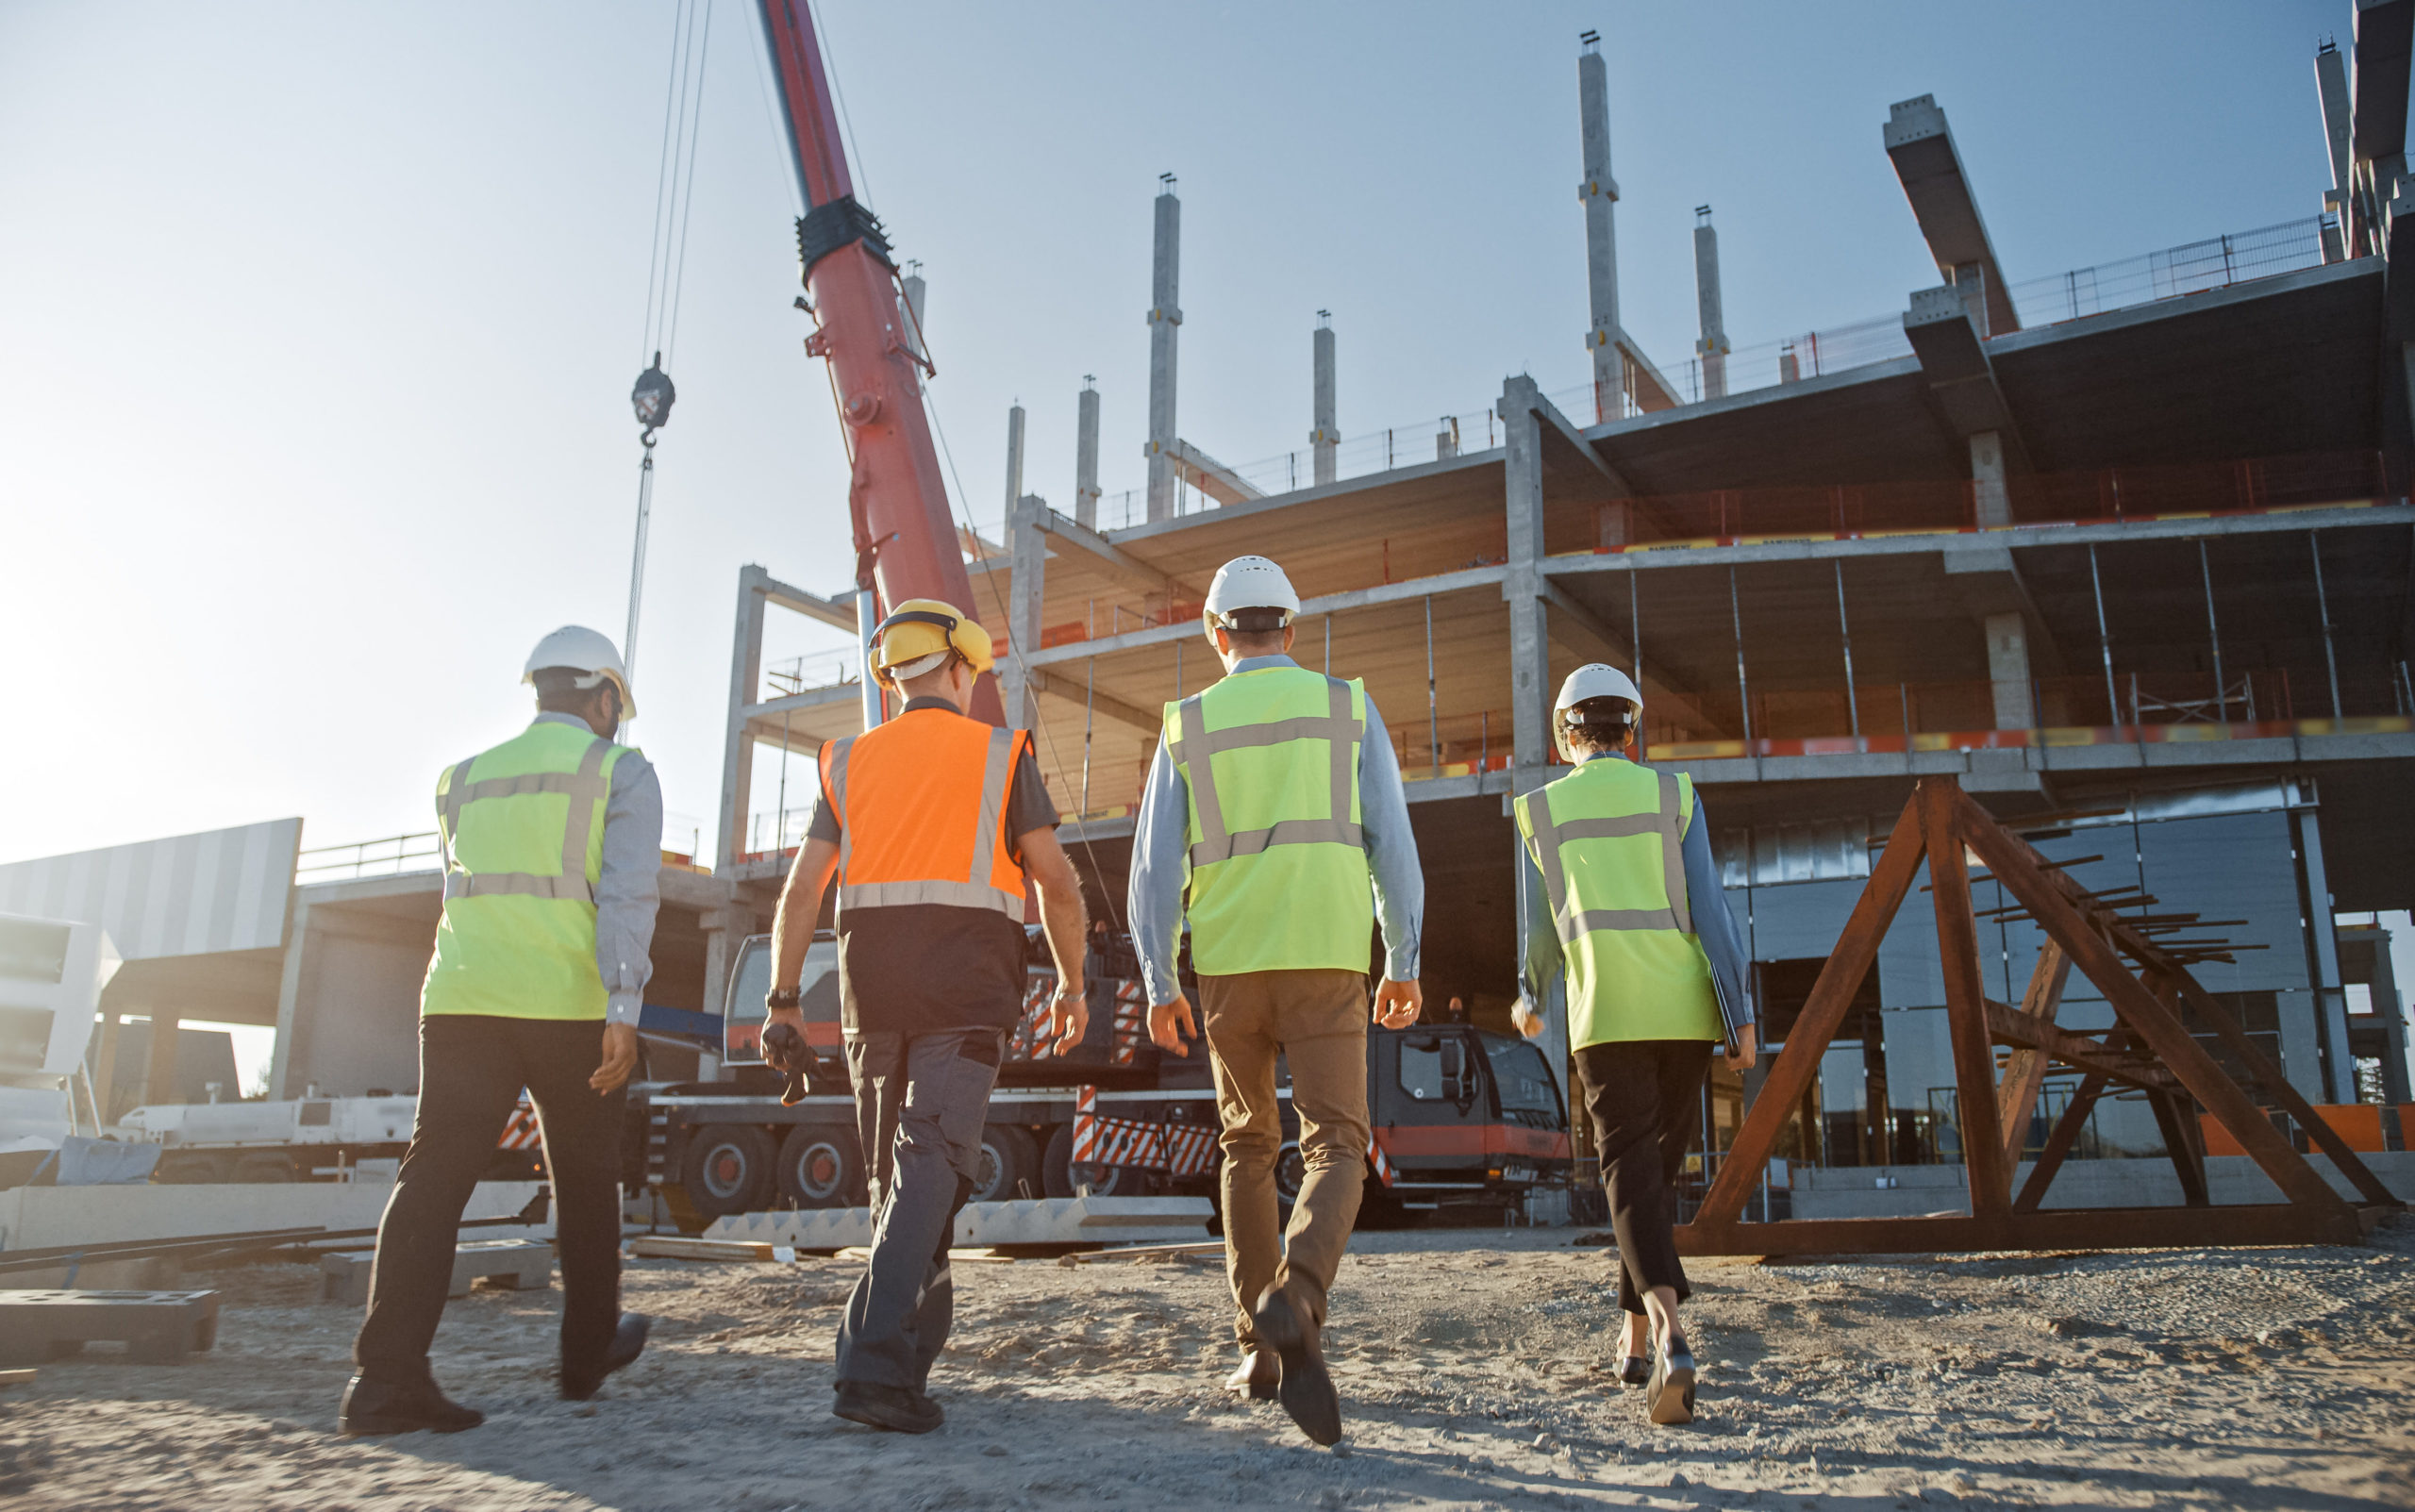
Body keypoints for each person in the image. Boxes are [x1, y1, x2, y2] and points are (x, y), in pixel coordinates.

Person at [761, 599, 1088, 1435]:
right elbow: (1057, 881)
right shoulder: (1000, 753)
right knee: (931, 1165)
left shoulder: (848, 760)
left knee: (905, 1183)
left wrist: (784, 998)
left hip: (873, 999)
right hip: (968, 995)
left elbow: (803, 888)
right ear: (959, 667)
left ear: (892, 674)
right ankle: (871, 1367)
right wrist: (1074, 983)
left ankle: (904, 1366)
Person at [1129, 555, 1424, 1448]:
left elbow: (1153, 869)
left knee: (1246, 1143)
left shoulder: (1187, 723)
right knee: (1339, 1142)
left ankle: (1261, 1350)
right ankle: (1296, 1296)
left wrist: (1159, 979)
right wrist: (1403, 955)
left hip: (1226, 964)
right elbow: (1392, 840)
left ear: (1217, 635)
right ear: (1291, 630)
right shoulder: (1346, 707)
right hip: (1328, 959)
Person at [341, 626, 659, 1436]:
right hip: (567, 1005)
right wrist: (624, 1006)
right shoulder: (621, 770)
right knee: (587, 1178)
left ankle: (384, 1382)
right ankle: (585, 1356)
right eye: (616, 705)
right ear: (604, 698)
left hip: (459, 1002)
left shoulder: (463, 778)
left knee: (433, 1179)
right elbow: (626, 896)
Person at [1512, 664, 1756, 1426]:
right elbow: (1711, 911)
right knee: (1652, 1179)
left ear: (1565, 736)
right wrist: (1738, 1014)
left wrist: (1528, 995)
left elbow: (1541, 926)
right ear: (1633, 729)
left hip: (1606, 1012)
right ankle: (1635, 1336)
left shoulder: (1538, 811)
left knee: (1626, 1172)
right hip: (1683, 1012)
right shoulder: (1675, 795)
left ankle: (1673, 1331)